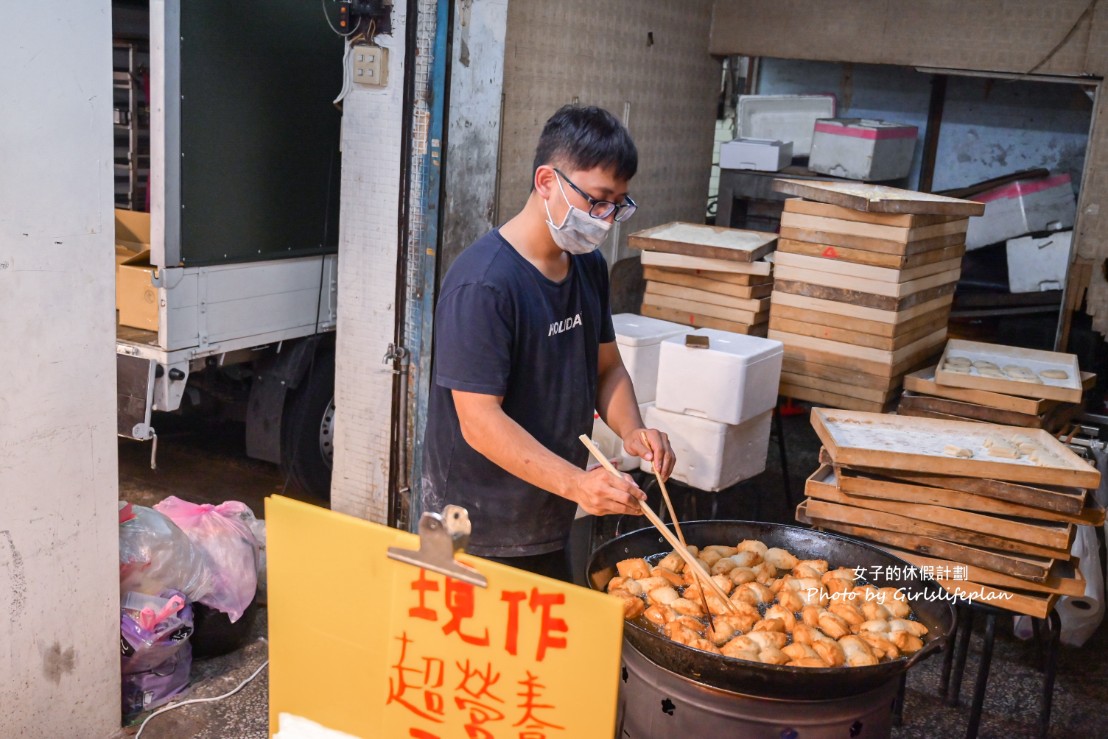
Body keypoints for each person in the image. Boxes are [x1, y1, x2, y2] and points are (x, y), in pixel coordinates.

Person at [420, 105, 676, 582]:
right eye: (597, 200)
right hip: (469, 525)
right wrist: (578, 484)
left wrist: (633, 431)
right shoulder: (484, 285)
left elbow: (606, 369)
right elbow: (478, 421)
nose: (605, 218)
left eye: (617, 203)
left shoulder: (587, 266)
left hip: (546, 510)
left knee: (537, 653)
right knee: (465, 653)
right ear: (545, 181)